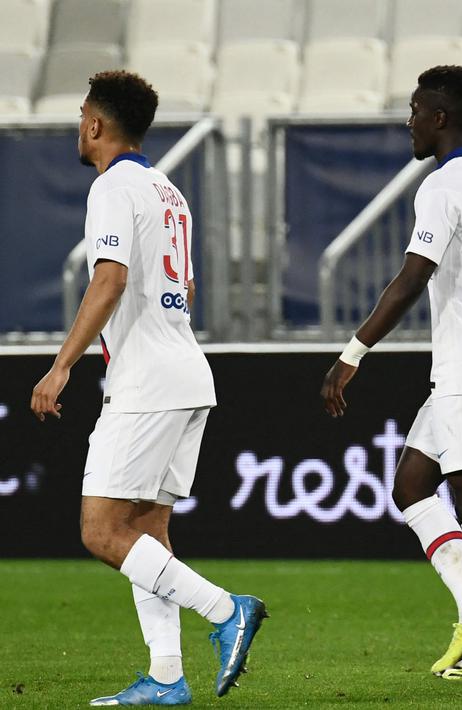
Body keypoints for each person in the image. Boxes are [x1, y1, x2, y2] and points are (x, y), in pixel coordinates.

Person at [30, 71, 266, 706]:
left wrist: (62, 365)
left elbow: (108, 279)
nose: (79, 126)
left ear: (96, 124)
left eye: (82, 115)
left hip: (146, 382)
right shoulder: (169, 191)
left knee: (101, 531)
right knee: (146, 534)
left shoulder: (112, 186)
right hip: (186, 372)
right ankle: (166, 677)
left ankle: (226, 610)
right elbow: (184, 287)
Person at [320, 65, 462, 681]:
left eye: (416, 110)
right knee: (412, 485)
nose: (409, 121)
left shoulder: (443, 187)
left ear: (440, 117)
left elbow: (412, 278)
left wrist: (352, 352)